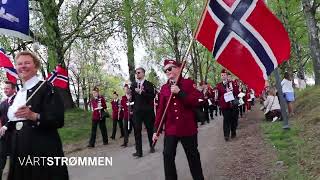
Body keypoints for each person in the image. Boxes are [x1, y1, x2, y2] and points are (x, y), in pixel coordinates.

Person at [0, 51, 68, 180]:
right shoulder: (19, 93)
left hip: (41, 149)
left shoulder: (46, 87)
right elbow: (15, 119)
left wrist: (34, 116)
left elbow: (58, 119)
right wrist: (6, 127)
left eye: (27, 63)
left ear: (36, 66)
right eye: (19, 64)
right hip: (18, 151)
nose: (23, 66)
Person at [153, 59, 204, 180]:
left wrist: (180, 92)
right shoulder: (164, 88)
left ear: (178, 69)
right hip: (171, 129)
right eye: (165, 71)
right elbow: (161, 110)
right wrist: (156, 130)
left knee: (193, 157)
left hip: (187, 127)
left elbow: (195, 102)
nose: (168, 72)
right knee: (167, 155)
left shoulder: (188, 83)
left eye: (170, 68)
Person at [131, 67, 156, 157]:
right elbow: (132, 98)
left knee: (150, 129)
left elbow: (152, 96)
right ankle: (139, 151)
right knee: (137, 131)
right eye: (136, 73)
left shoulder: (149, 84)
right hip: (137, 111)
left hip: (147, 111)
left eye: (139, 72)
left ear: (143, 73)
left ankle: (152, 145)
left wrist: (142, 92)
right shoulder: (133, 85)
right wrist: (131, 96)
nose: (137, 74)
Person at [216, 69, 238, 141]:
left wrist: (232, 90)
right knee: (226, 120)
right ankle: (226, 135)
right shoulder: (219, 85)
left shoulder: (232, 83)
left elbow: (236, 93)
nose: (223, 76)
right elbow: (218, 97)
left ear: (227, 76)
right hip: (225, 106)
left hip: (232, 105)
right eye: (222, 75)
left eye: (225, 75)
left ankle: (233, 132)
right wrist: (225, 94)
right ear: (221, 76)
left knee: (233, 119)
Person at [0, 81, 16, 179]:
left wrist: (6, 126)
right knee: (1, 158)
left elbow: (17, 116)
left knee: (15, 159)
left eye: (7, 88)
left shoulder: (18, 100)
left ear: (13, 89)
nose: (5, 90)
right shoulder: (2, 103)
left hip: (15, 134)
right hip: (3, 136)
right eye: (4, 88)